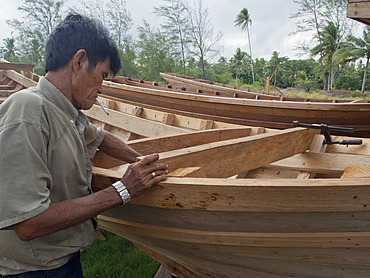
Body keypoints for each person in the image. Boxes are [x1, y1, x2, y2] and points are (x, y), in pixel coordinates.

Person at [0, 13, 168, 277]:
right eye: (101, 75)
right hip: (35, 270)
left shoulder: (64, 111)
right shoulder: (29, 111)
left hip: (64, 260)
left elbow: (101, 138)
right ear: (79, 61)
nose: (101, 87)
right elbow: (28, 223)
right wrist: (123, 190)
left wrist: (143, 163)